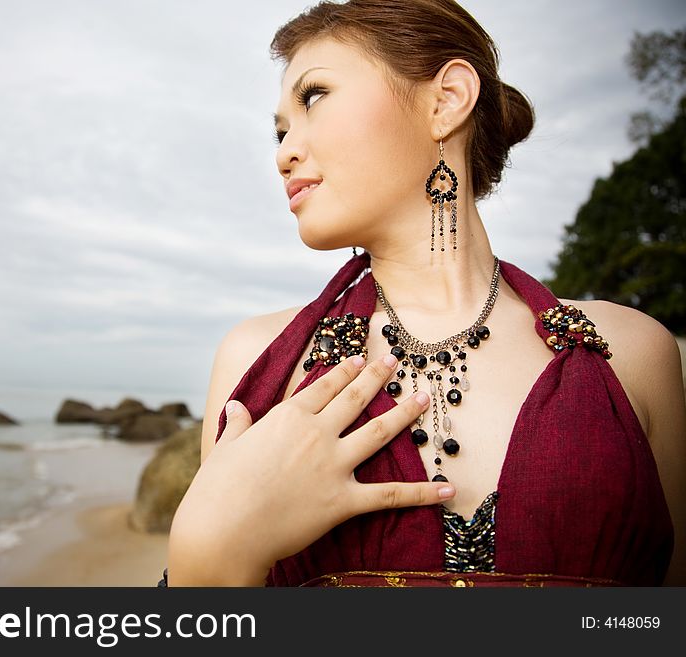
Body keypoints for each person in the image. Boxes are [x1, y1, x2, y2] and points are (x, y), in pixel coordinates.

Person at [166, 0, 685, 587]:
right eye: (280, 131)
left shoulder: (633, 353)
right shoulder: (257, 362)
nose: (284, 151)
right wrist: (206, 552)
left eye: (314, 98)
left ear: (446, 101)